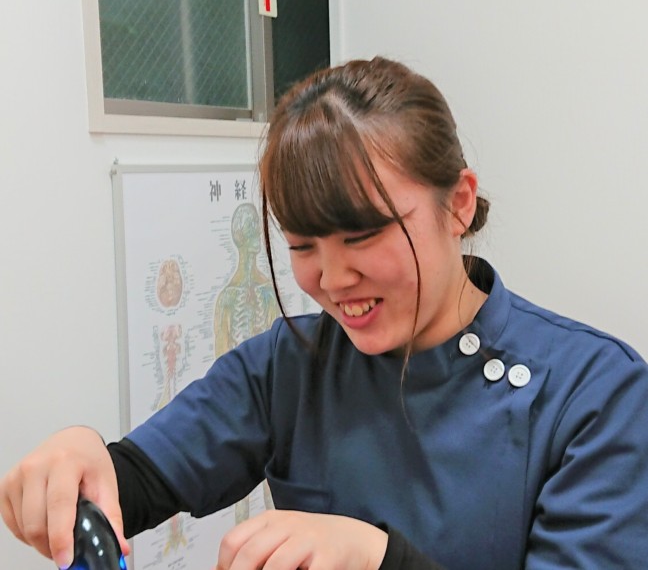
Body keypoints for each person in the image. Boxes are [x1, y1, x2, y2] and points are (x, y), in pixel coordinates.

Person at [2, 56, 648, 570]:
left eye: (363, 236)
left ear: (458, 203)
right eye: (303, 246)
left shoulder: (595, 395)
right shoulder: (287, 364)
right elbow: (143, 478)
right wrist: (80, 463)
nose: (333, 281)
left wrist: (377, 558)